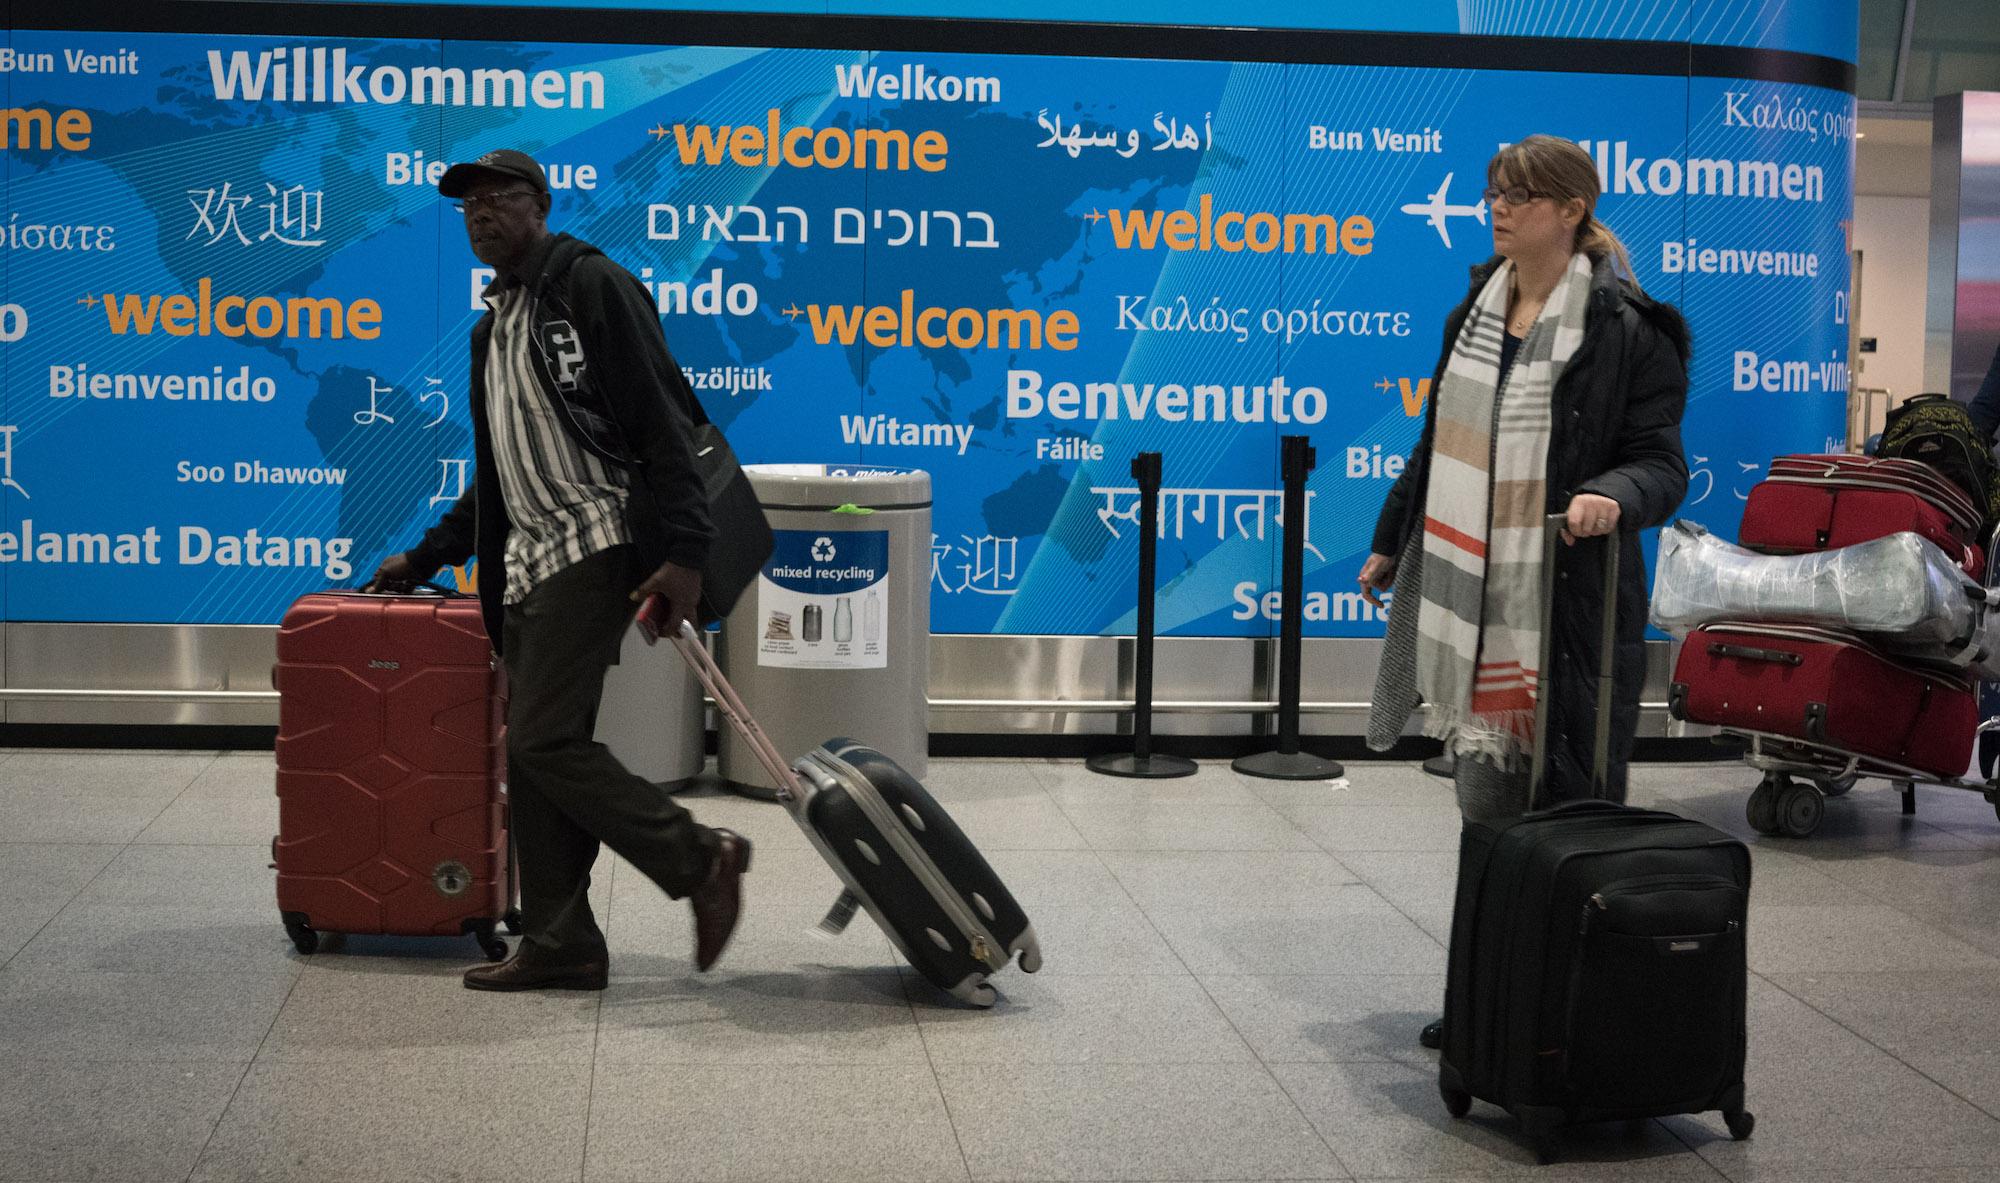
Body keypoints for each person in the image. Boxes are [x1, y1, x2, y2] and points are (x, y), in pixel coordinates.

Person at [367, 149, 752, 992]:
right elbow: (502, 470)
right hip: (528, 561)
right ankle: (560, 939)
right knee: (537, 750)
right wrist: (428, 555)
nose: (480, 213)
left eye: (498, 197)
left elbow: (664, 419)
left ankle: (701, 856)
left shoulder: (590, 287)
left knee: (543, 738)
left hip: (598, 539)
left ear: (539, 204)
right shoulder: (492, 326)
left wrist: (685, 555)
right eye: (467, 203)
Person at [1355, 135, 1690, 1047]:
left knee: (1569, 812)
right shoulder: (1476, 308)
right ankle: (1485, 999)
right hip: (1477, 610)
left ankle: (1563, 1018)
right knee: (1485, 812)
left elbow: (1662, 465)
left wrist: (1611, 497)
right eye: (1493, 192)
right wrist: (1394, 538)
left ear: (1572, 209)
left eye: (1521, 196)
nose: (1499, 209)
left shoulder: (1629, 327)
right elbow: (1439, 441)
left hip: (1569, 616)